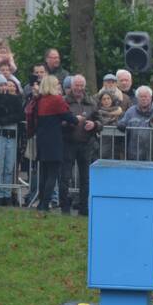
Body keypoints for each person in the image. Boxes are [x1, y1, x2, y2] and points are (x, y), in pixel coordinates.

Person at [34, 75, 77, 212]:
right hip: (54, 140)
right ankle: (46, 204)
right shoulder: (56, 100)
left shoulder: (40, 100)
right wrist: (78, 118)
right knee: (53, 174)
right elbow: (70, 117)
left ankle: (41, 203)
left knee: (44, 173)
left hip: (42, 139)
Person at [62, 75, 101, 215]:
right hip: (68, 143)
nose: (78, 88)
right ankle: (65, 208)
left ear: (84, 86)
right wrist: (70, 122)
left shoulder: (91, 101)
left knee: (85, 178)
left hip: (86, 144)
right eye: (76, 85)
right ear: (71, 86)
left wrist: (95, 124)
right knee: (65, 176)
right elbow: (58, 121)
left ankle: (84, 208)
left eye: (81, 85)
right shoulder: (64, 101)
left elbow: (100, 121)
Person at [0, 75, 24, 207]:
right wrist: (3, 120)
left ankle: (7, 194)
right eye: (0, 85)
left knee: (9, 167)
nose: (3, 88)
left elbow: (19, 115)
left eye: (4, 85)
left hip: (11, 136)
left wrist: (7, 120)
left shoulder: (15, 99)